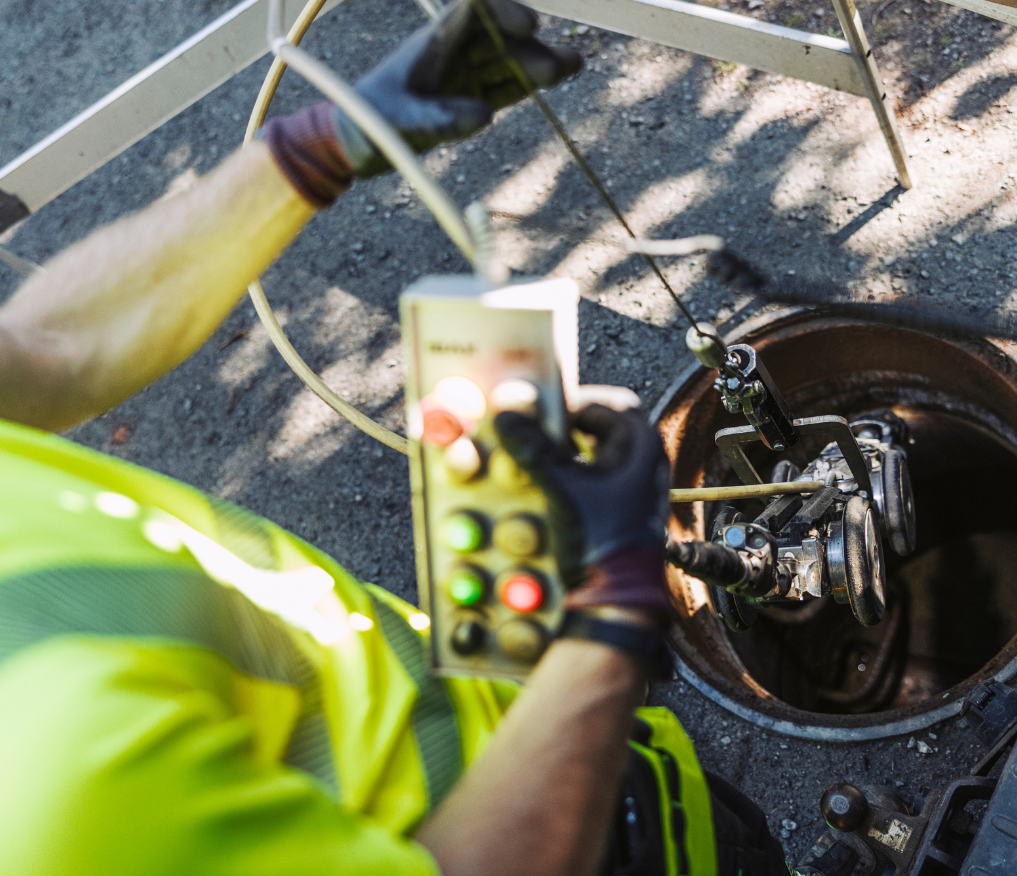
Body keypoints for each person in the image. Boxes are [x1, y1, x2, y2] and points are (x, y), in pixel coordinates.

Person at [0, 2, 790, 873]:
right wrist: (612, 611)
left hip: (529, 718)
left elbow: (46, 355)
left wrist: (313, 147)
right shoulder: (52, 774)